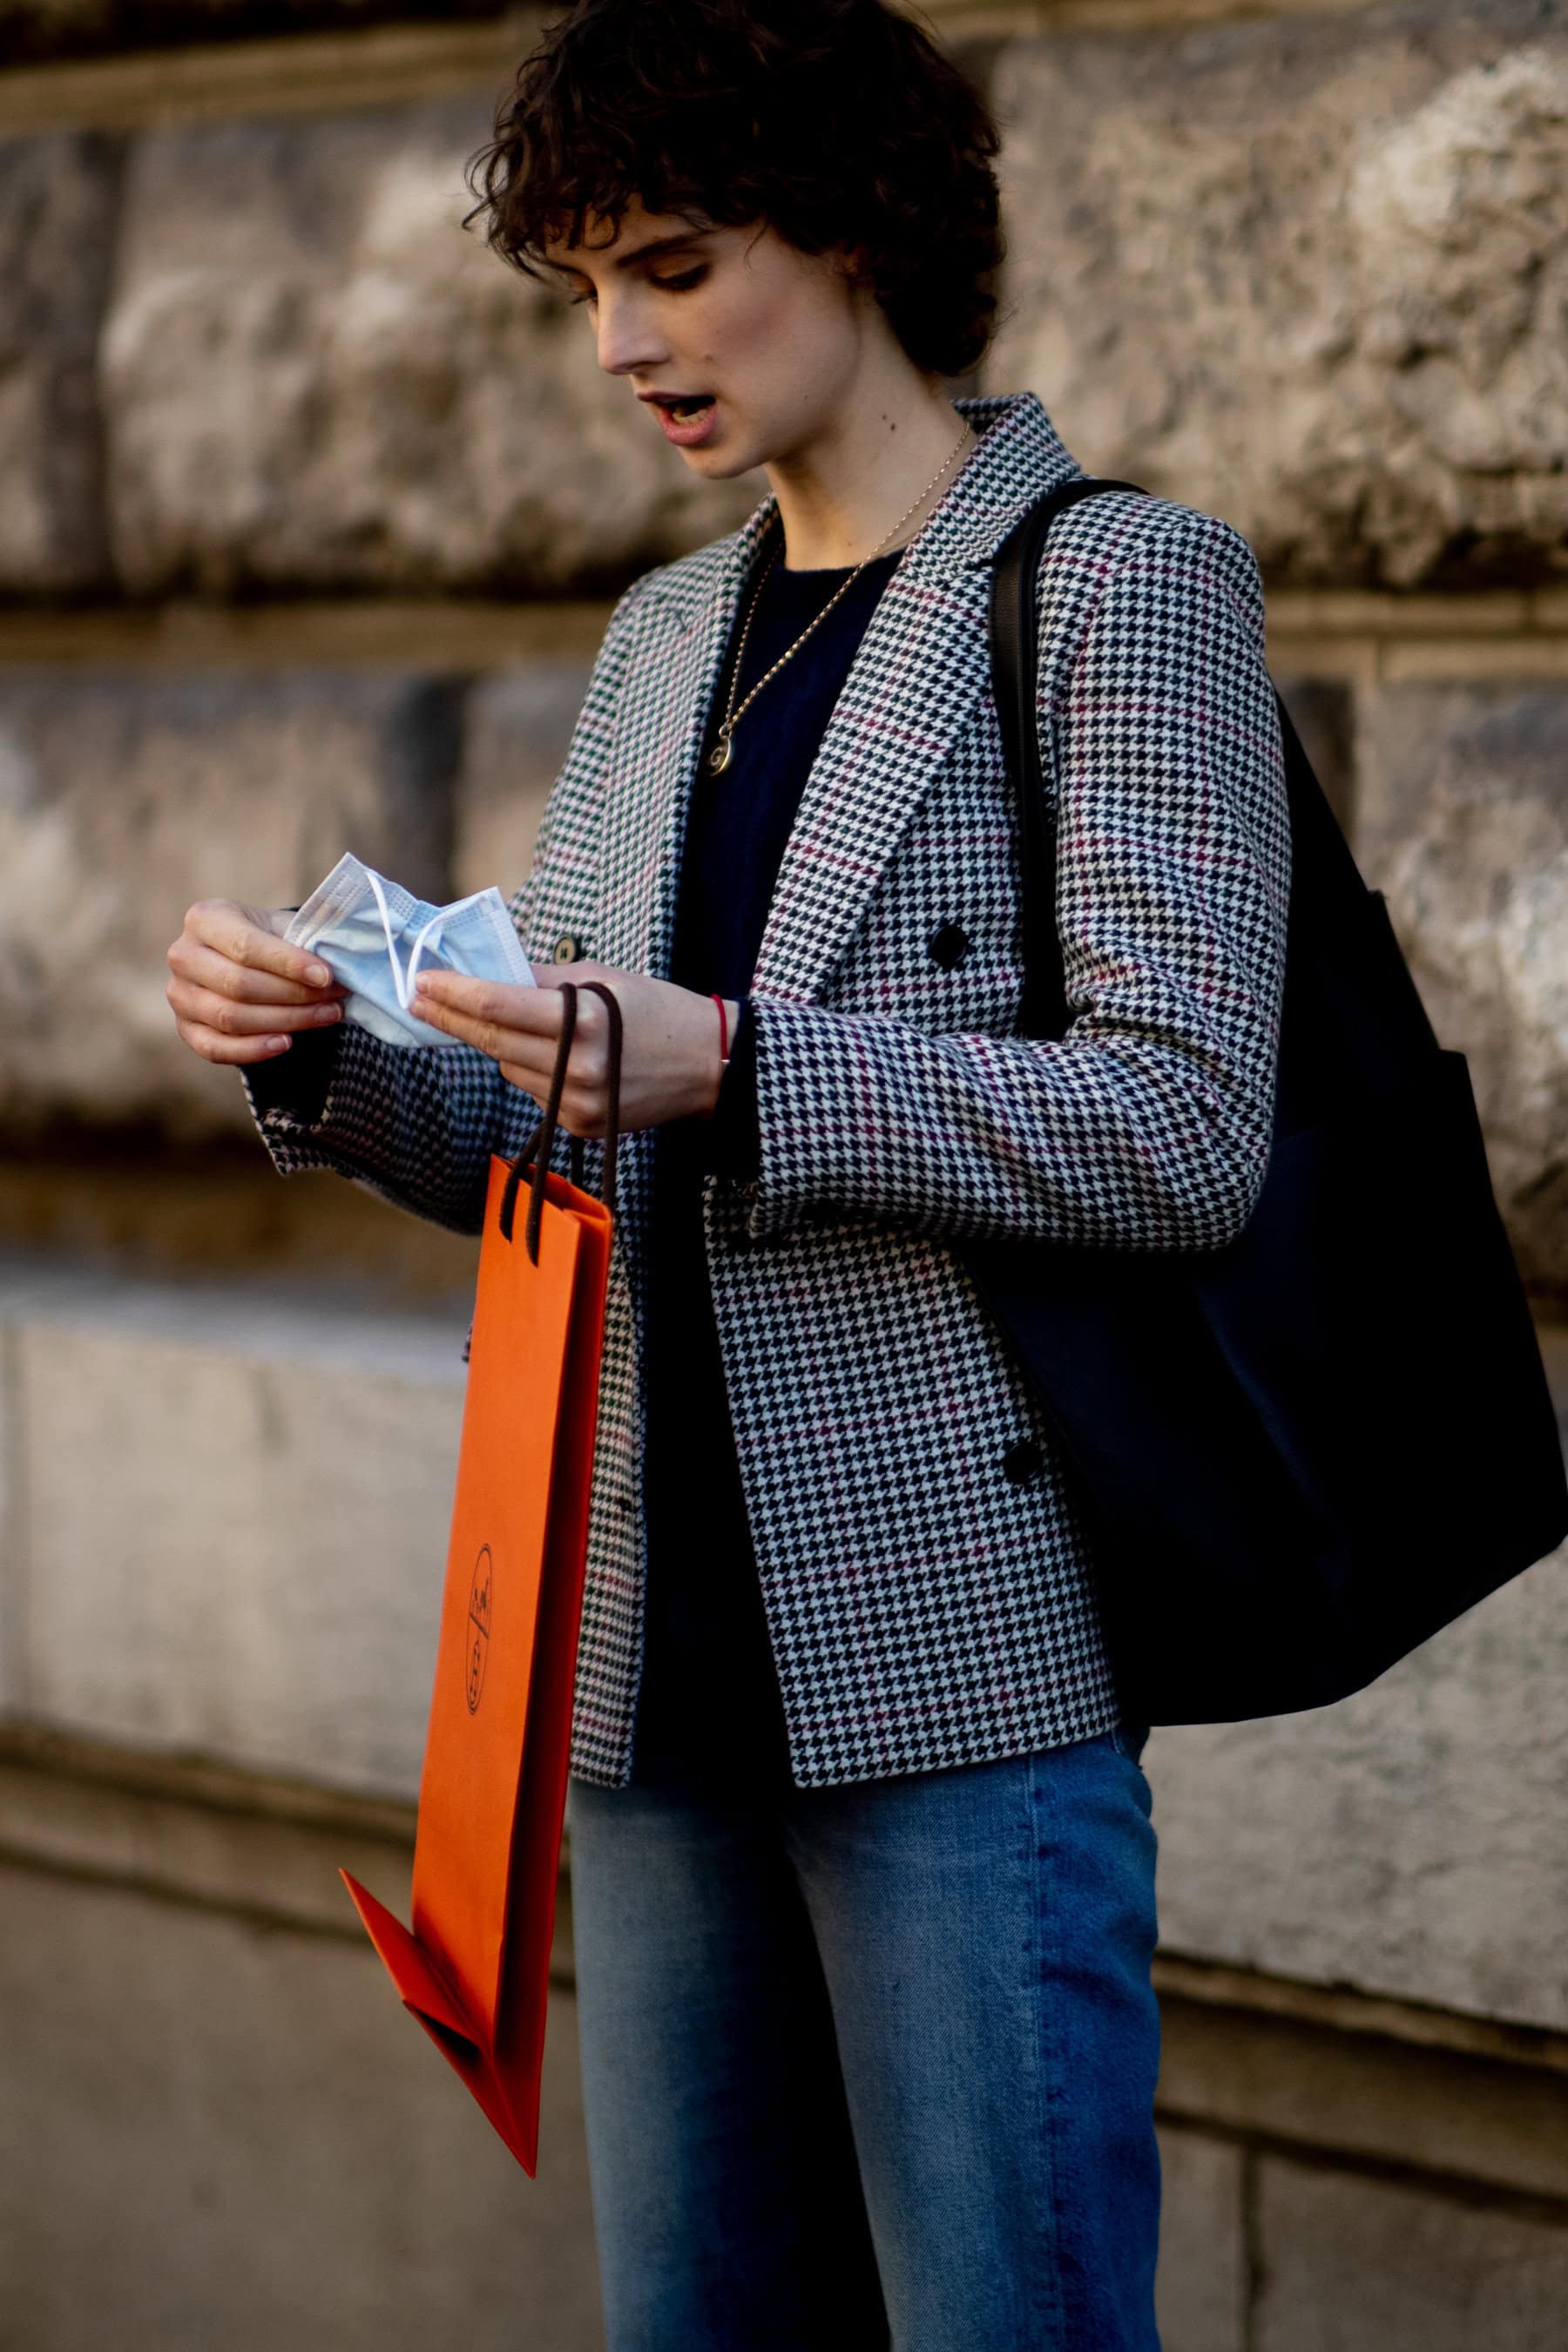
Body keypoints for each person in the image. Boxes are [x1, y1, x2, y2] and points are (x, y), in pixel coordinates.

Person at [166, 2, 1290, 2343]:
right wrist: (331, 1055)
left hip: (956, 1669)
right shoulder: (662, 637)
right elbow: (567, 1111)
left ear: (858, 224)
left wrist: (746, 1064)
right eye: (586, 286)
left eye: (670, 265)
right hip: (631, 1667)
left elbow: (1189, 1121)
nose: (620, 345)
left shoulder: (1117, 586)